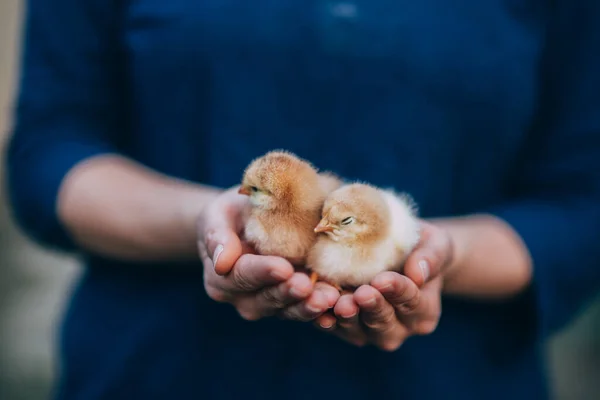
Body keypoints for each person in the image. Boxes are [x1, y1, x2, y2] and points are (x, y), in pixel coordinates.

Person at [6, 0, 600, 399]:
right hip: (154, 372)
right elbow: (50, 150)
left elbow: (582, 205)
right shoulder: (273, 218)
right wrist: (203, 222)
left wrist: (447, 256)